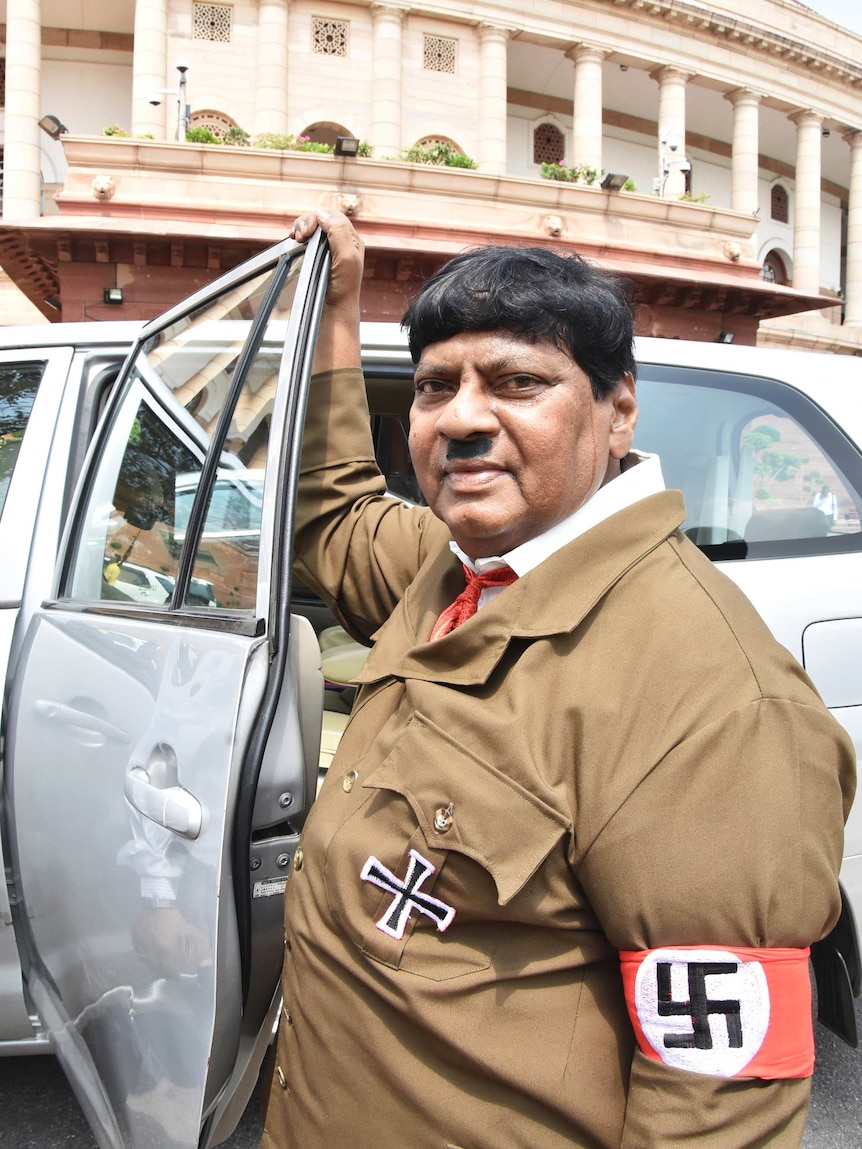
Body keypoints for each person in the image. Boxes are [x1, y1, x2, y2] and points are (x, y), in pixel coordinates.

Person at [262, 210, 855, 1149]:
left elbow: (717, 1097)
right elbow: (335, 514)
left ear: (618, 410)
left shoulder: (711, 699)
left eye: (517, 381)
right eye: (433, 387)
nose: (460, 417)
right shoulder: (449, 566)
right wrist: (337, 307)